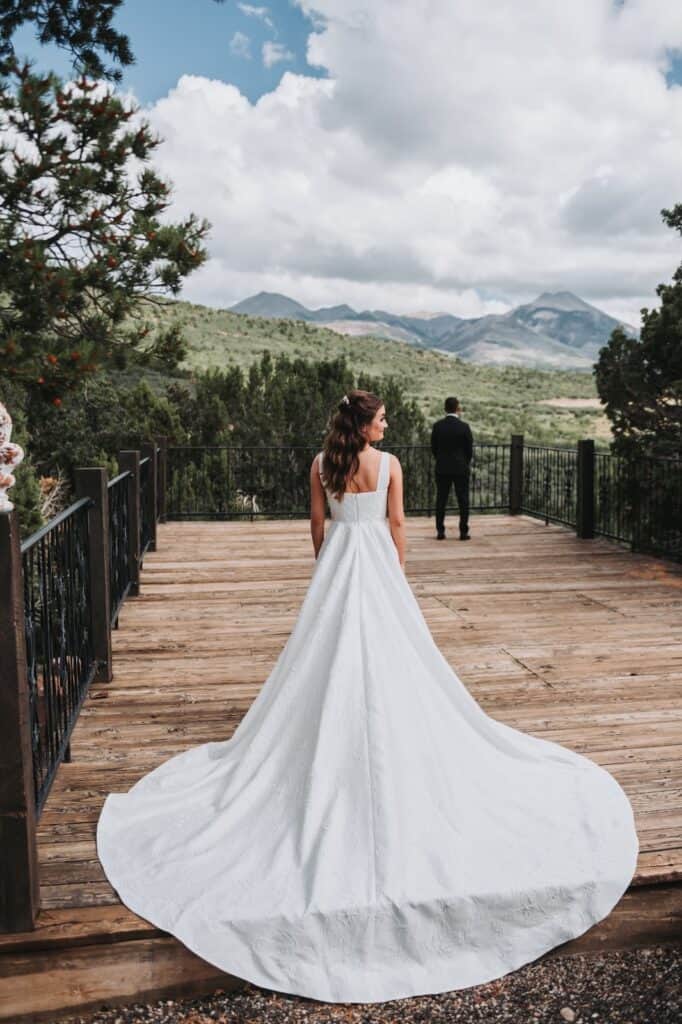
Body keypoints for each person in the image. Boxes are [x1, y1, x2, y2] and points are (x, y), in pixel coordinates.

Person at [96, 388, 639, 1005]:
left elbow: (317, 529)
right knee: (397, 658)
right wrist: (395, 576)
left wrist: (329, 570)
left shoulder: (322, 465)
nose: (389, 424)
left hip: (339, 567)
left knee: (319, 663)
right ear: (367, 423)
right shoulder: (390, 466)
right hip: (377, 564)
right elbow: (399, 526)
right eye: (383, 417)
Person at [431, 396, 473, 540]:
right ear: (458, 408)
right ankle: (463, 532)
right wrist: (464, 462)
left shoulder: (437, 426)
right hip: (461, 469)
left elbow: (434, 448)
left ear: (445, 408)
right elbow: (469, 450)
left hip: (442, 468)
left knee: (441, 500)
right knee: (463, 500)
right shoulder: (464, 427)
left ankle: (440, 531)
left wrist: (441, 460)